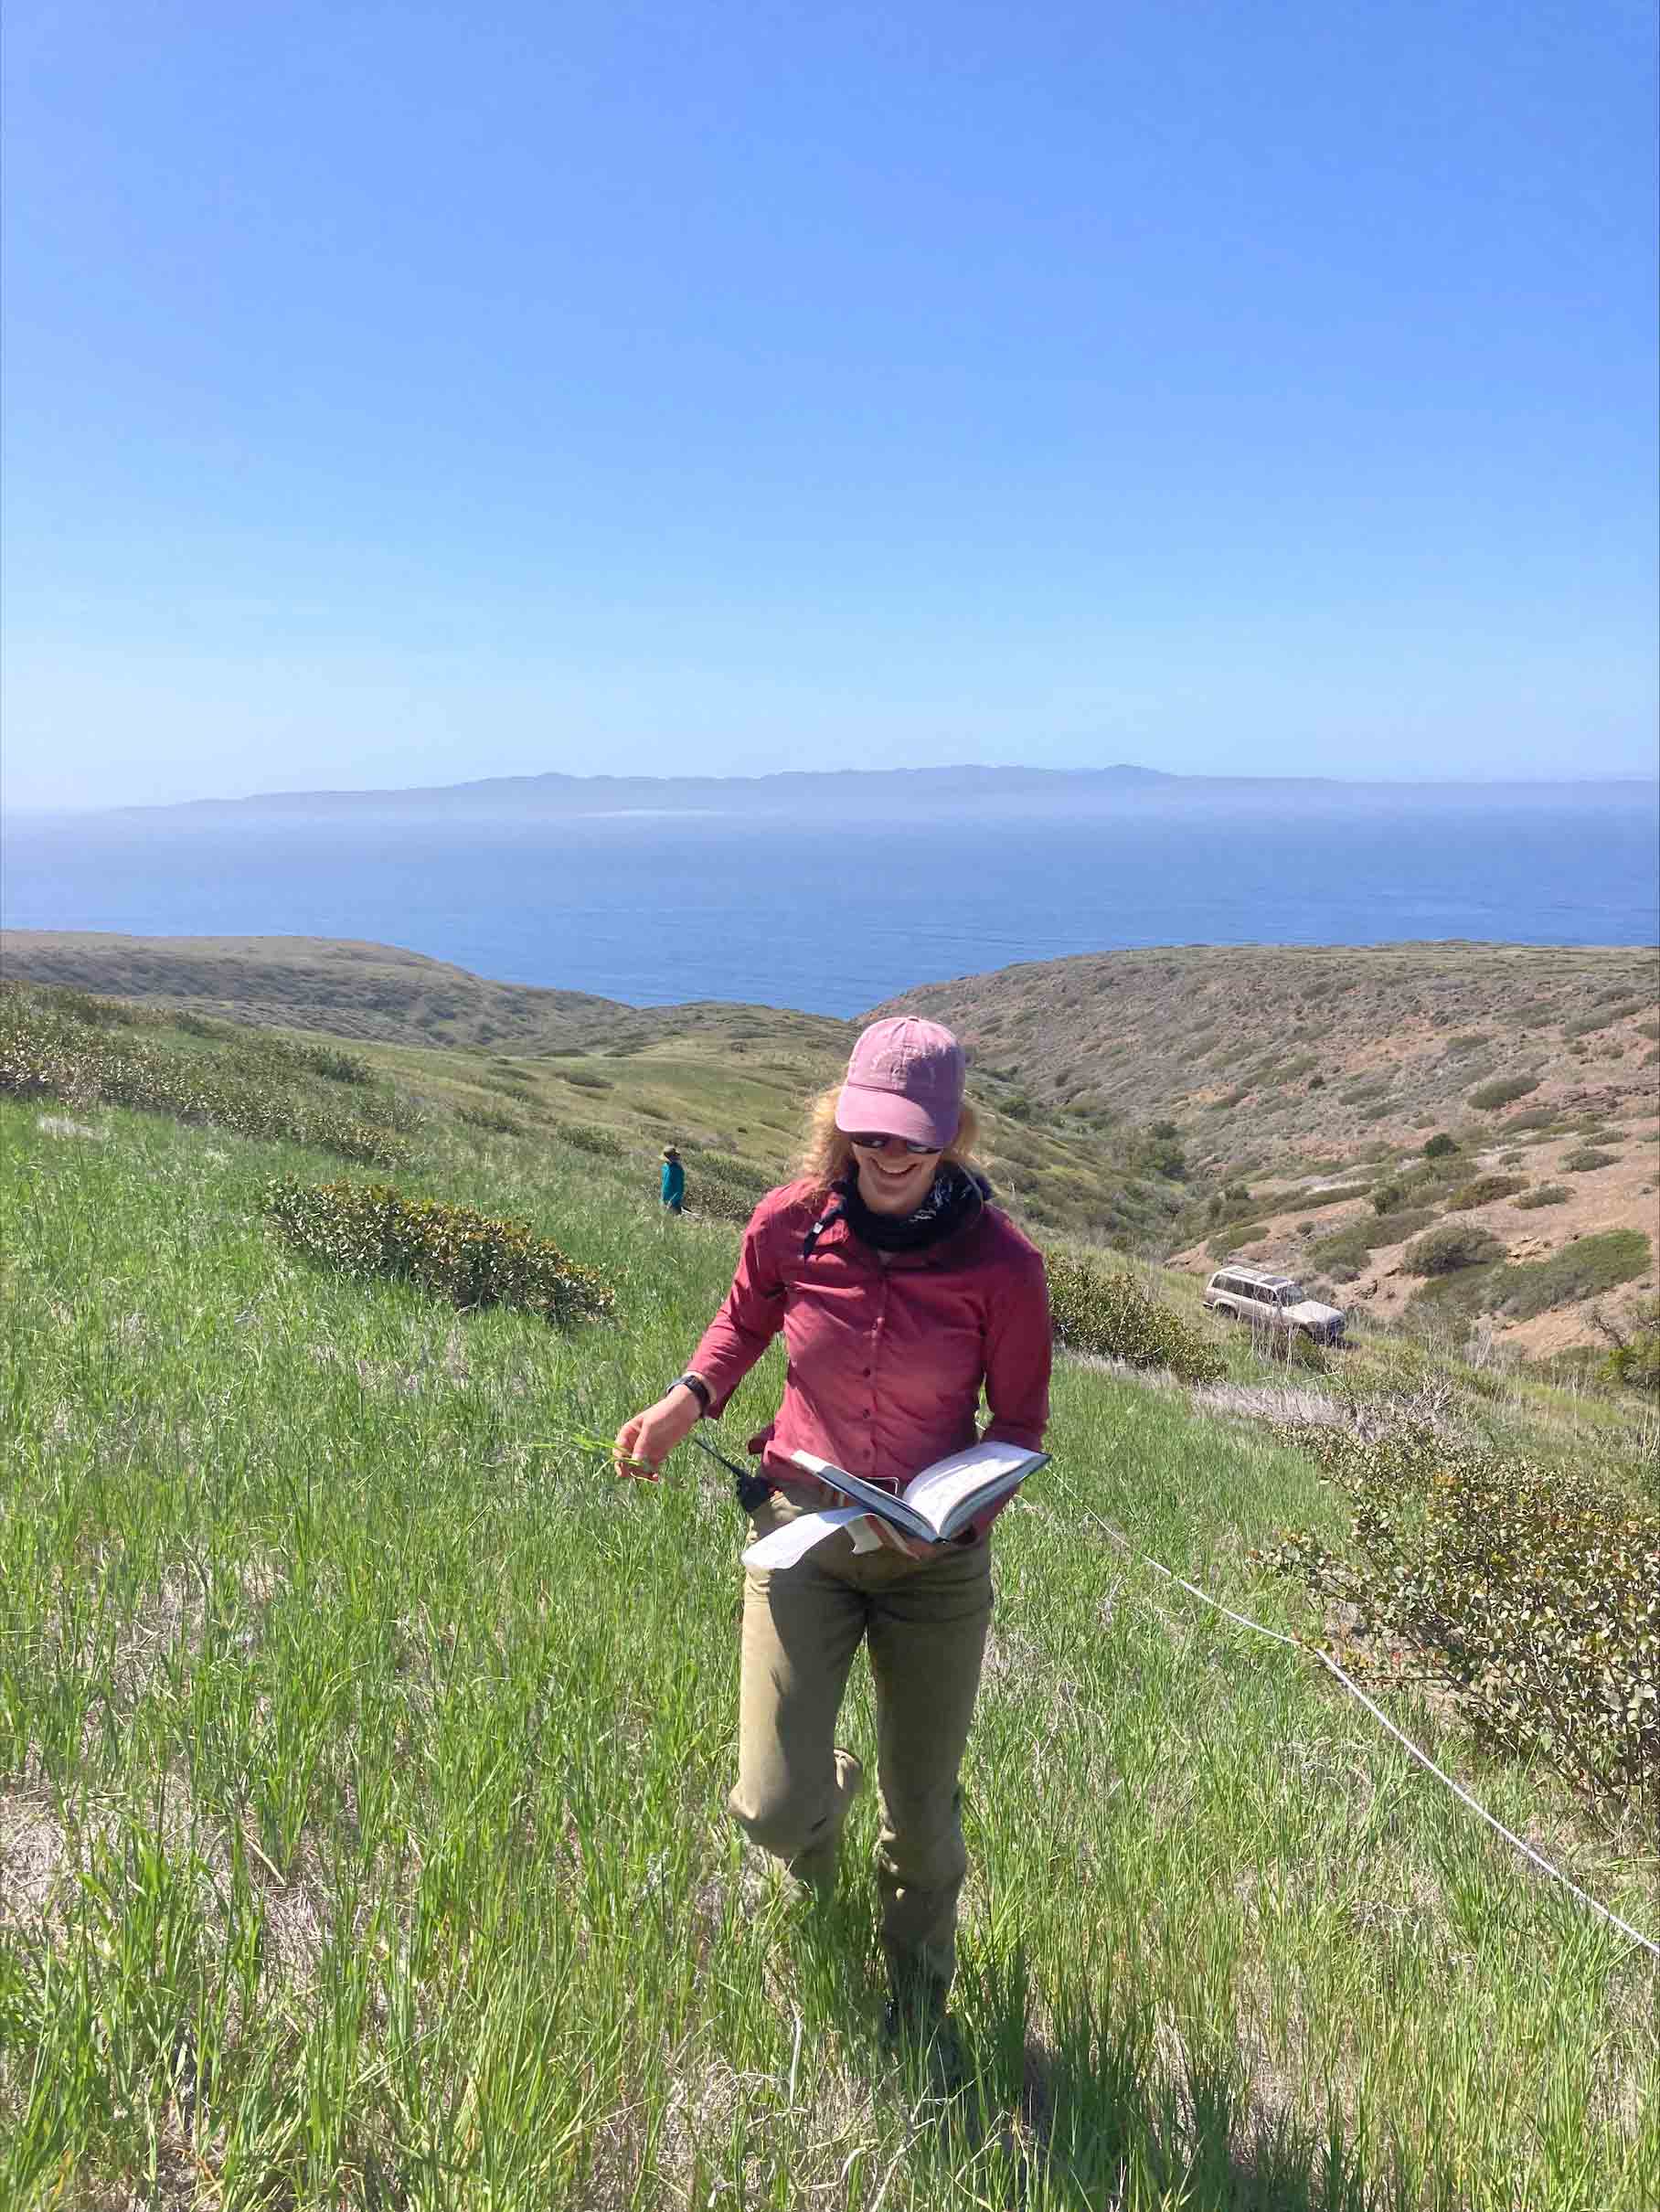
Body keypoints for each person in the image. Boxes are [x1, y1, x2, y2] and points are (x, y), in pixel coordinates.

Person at [614, 1016, 1051, 2045]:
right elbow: (743, 1316)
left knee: (924, 1815)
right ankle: (820, 1809)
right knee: (769, 1806)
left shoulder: (1004, 1264)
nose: (886, 1155)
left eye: (911, 1136)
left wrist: (962, 1512)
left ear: (954, 1134)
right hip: (802, 1531)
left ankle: (914, 2003)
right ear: (840, 1121)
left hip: (934, 1563)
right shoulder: (790, 1221)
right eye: (868, 1132)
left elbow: (1019, 1423)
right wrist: (688, 1398)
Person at [660, 1145, 686, 1215]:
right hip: (663, 1200)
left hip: (673, 1204)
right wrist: (662, 1199)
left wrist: (672, 1202)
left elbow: (680, 1189)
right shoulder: (665, 1166)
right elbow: (664, 1183)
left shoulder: (677, 1170)